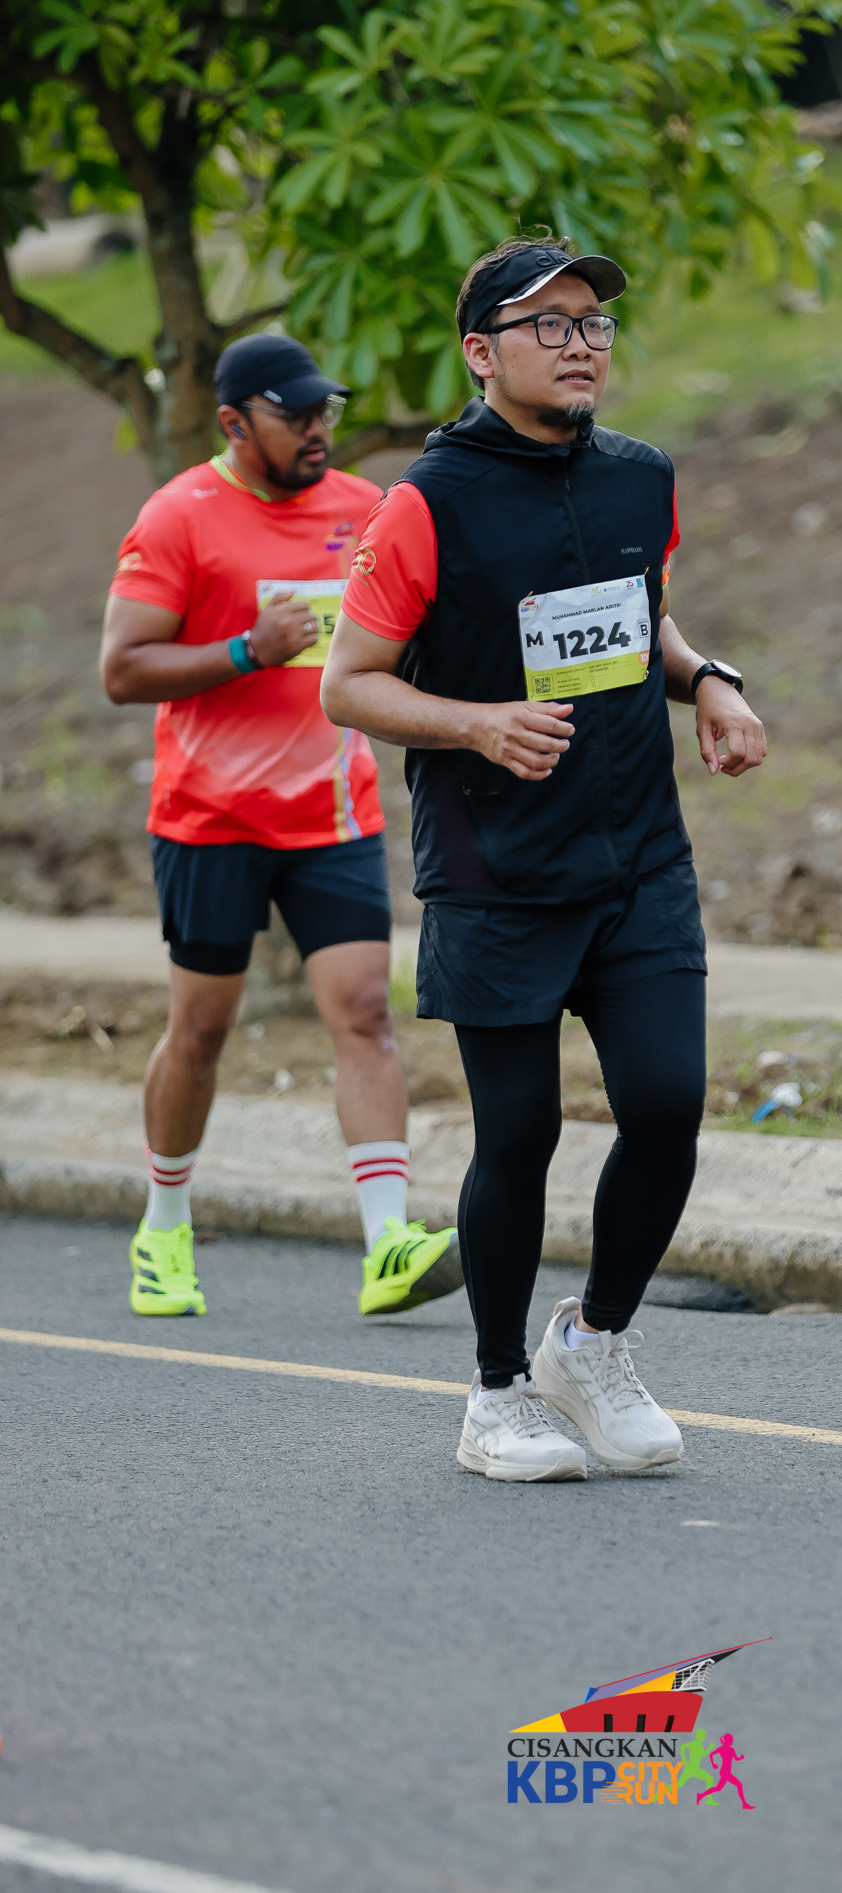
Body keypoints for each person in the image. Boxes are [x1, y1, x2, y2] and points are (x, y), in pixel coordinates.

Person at [321, 237, 767, 1481]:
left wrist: (708, 681)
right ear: (481, 353)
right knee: (517, 1136)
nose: (580, 345)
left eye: (593, 324)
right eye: (548, 324)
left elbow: (638, 617)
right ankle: (495, 1395)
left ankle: (592, 1346)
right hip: (496, 868)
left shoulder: (640, 477)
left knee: (666, 1108)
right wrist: (476, 725)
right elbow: (348, 683)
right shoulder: (426, 504)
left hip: (636, 858)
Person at [100, 332, 462, 1319]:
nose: (317, 428)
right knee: (201, 1029)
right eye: (293, 414)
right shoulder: (179, 515)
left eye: (324, 410)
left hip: (332, 813)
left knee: (364, 1011)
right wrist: (244, 651)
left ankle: (387, 1243)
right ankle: (163, 1228)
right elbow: (122, 668)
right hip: (209, 820)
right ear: (232, 421)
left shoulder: (362, 508)